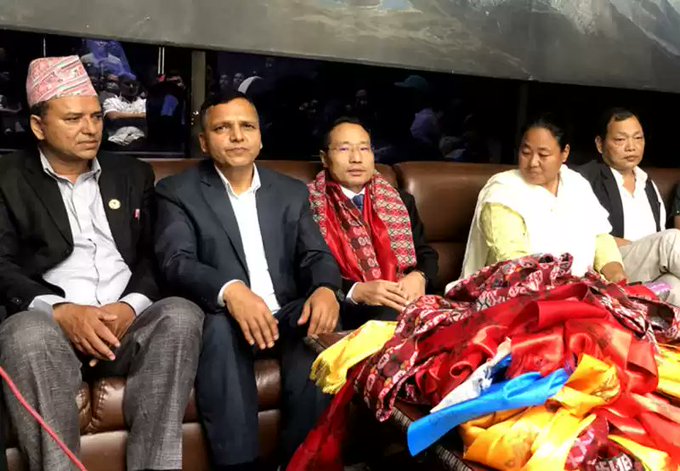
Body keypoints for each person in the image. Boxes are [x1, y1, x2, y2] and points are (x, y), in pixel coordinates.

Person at [0, 55, 203, 471]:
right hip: (53, 328)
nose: (91, 128)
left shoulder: (131, 174)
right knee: (25, 334)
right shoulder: (8, 177)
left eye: (95, 116)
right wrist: (62, 312)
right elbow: (2, 265)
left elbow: (153, 254)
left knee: (181, 315)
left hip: (124, 322)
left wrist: (129, 307)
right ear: (38, 125)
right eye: (73, 118)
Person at [154, 89, 342, 470]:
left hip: (283, 312)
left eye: (247, 127)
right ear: (204, 142)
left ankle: (299, 463)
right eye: (223, 128)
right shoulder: (177, 191)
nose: (237, 136)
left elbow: (316, 255)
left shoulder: (290, 192)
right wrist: (230, 290)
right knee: (220, 330)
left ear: (260, 137)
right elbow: (176, 261)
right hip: (225, 316)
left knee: (318, 330)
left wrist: (326, 289)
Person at [459, 114, 625, 285]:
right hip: (519, 289)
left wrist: (615, 272)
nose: (533, 162)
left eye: (543, 155)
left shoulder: (576, 184)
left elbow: (599, 237)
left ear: (564, 153)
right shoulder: (502, 192)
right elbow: (513, 259)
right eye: (526, 153)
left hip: (581, 286)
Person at [308, 117, 438, 329]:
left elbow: (426, 253)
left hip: (403, 299)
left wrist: (419, 276)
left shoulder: (400, 200)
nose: (356, 159)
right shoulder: (308, 204)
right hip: (343, 306)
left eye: (364, 149)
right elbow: (305, 268)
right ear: (325, 158)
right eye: (344, 149)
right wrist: (356, 291)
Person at [577, 108, 680, 305]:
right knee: (671, 240)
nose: (631, 147)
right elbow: (583, 236)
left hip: (652, 269)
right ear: (600, 144)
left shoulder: (647, 183)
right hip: (611, 264)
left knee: (676, 287)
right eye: (620, 140)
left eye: (638, 138)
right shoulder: (584, 179)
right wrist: (647, 247)